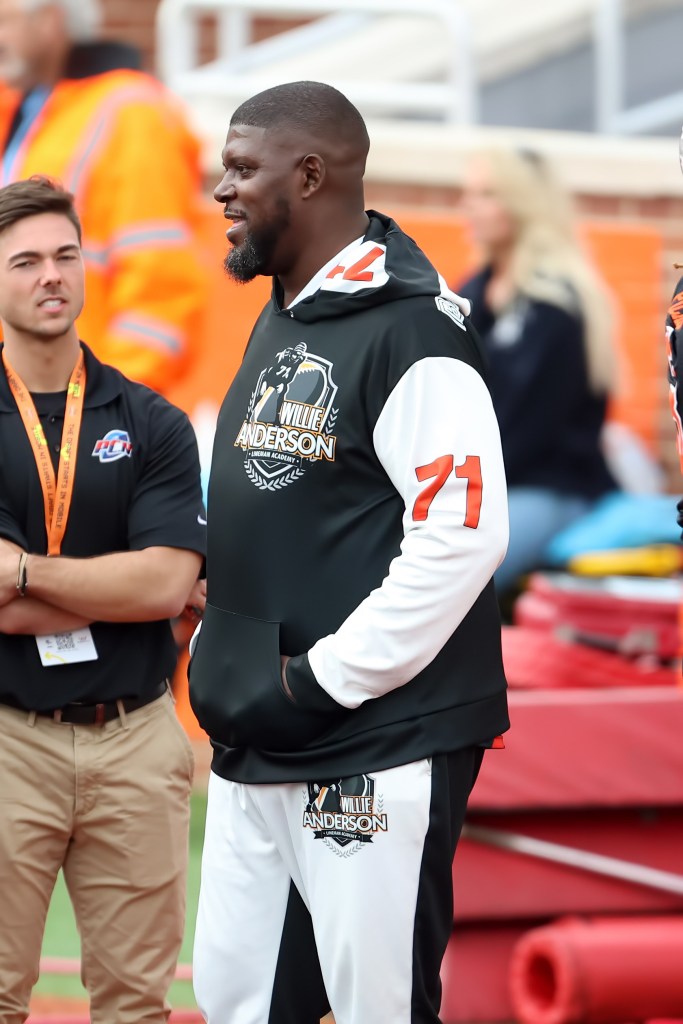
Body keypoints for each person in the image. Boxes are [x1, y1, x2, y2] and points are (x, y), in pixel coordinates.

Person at [189, 81, 510, 1024]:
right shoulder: (288, 308)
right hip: (257, 739)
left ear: (312, 173)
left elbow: (460, 538)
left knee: (377, 1011)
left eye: (243, 169)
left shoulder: (414, 333)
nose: (224, 191)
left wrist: (322, 681)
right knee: (239, 1002)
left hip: (370, 744)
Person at [0, 176, 206, 1023]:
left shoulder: (152, 421)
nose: (51, 275)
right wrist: (123, 583)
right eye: (25, 262)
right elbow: (144, 584)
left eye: (65, 256)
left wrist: (21, 572)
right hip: (10, 740)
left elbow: (166, 583)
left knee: (136, 1007)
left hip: (136, 737)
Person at [0, 0, 206, 392]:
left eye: (3, 22)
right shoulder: (25, 108)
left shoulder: (132, 114)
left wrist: (111, 406)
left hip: (77, 407)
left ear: (49, 21)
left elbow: (159, 287)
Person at [458, 147, 617, 599]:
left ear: (523, 206)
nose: (467, 205)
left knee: (454, 580)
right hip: (479, 484)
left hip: (547, 489)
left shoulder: (559, 304)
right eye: (468, 193)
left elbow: (525, 436)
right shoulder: (473, 290)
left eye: (485, 194)